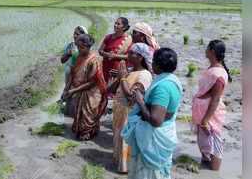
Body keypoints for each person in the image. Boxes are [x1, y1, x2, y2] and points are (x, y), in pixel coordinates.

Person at [121, 48, 183, 179]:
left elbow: (156, 120)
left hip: (153, 139)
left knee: (148, 174)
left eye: (153, 61)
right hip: (161, 133)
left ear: (158, 65)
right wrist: (145, 98)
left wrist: (140, 101)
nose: (151, 63)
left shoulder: (163, 87)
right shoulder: (171, 79)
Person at [109, 43, 153, 173]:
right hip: (120, 111)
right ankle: (120, 162)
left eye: (131, 53)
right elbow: (111, 90)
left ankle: (127, 167)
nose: (128, 55)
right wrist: (120, 77)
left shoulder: (144, 75)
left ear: (140, 57)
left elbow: (131, 97)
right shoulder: (130, 71)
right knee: (119, 137)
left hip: (130, 113)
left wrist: (122, 76)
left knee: (126, 140)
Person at [190, 40, 232, 171]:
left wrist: (205, 120)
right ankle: (205, 165)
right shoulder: (212, 69)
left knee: (214, 142)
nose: (205, 50)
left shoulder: (218, 73)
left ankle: (214, 170)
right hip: (203, 110)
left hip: (210, 113)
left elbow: (215, 99)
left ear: (212, 51)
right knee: (205, 141)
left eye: (207, 48)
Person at [62, 34, 107, 140]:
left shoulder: (94, 60)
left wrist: (73, 91)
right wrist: (66, 88)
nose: (79, 49)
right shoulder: (77, 56)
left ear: (88, 47)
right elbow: (72, 73)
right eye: (78, 47)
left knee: (89, 112)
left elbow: (92, 83)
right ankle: (83, 131)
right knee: (80, 111)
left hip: (92, 91)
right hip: (80, 89)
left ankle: (89, 132)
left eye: (82, 47)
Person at [61, 26, 88, 117]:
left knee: (76, 94)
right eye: (74, 34)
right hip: (69, 74)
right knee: (68, 92)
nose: (75, 36)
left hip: (79, 76)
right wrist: (69, 53)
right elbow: (62, 60)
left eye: (78, 34)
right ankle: (69, 113)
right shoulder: (71, 45)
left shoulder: (85, 47)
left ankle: (76, 115)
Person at [99, 17, 132, 85]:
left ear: (124, 27)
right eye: (115, 23)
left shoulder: (129, 40)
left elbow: (129, 56)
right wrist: (107, 54)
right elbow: (100, 51)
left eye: (118, 24)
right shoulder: (108, 37)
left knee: (114, 89)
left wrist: (115, 56)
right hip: (106, 68)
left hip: (118, 70)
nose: (115, 25)